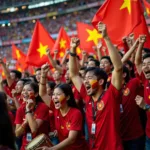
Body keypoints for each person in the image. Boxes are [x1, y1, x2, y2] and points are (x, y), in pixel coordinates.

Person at [69, 22, 123, 150]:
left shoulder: (111, 95)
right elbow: (74, 75)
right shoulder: (87, 98)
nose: (85, 81)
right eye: (85, 78)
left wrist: (106, 38)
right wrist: (72, 51)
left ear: (100, 82)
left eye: (89, 78)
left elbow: (118, 68)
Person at [39, 65, 89, 150]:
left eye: (58, 94)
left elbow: (71, 139)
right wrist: (43, 75)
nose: (54, 97)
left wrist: (52, 149)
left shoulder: (75, 113)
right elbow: (42, 94)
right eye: (53, 94)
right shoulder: (56, 109)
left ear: (68, 97)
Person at [15, 82, 50, 150]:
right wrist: (25, 122)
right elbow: (17, 133)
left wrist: (28, 110)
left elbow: (34, 129)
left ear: (36, 94)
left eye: (28, 90)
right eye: (23, 90)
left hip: (42, 146)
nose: (25, 92)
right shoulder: (20, 110)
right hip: (25, 146)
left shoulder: (43, 107)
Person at [134, 35, 150, 150]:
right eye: (144, 65)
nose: (145, 67)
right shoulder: (146, 80)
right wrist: (140, 44)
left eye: (149, 64)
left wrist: (146, 106)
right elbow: (137, 62)